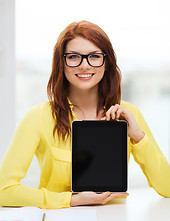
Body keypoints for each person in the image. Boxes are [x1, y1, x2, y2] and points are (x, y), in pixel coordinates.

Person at [0, 21, 169, 209]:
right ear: (61, 63)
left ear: (107, 63)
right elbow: (4, 191)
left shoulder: (128, 114)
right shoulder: (38, 117)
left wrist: (138, 136)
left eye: (94, 56)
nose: (84, 65)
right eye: (73, 57)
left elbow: (167, 187)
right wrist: (70, 200)